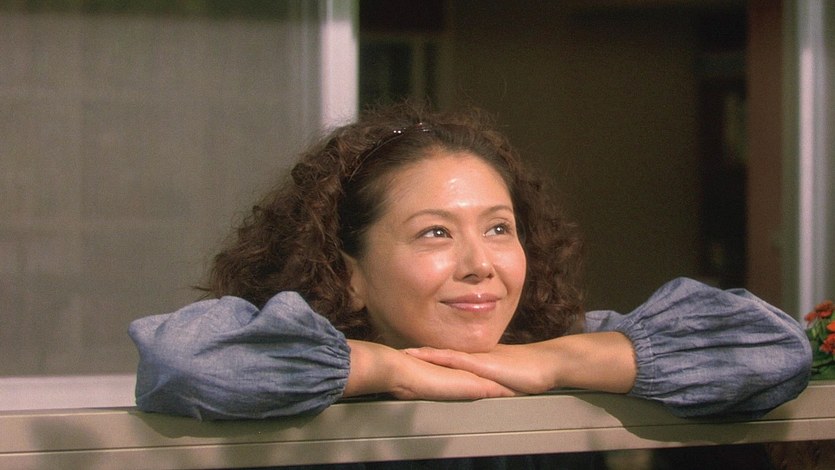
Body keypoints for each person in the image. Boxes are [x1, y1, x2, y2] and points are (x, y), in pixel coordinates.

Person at [129, 102, 811, 424]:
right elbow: (186, 363)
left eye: (498, 229)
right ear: (348, 273)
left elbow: (772, 349)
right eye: (434, 233)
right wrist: (387, 369)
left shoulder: (545, 347)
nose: (480, 264)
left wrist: (555, 362)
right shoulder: (291, 365)